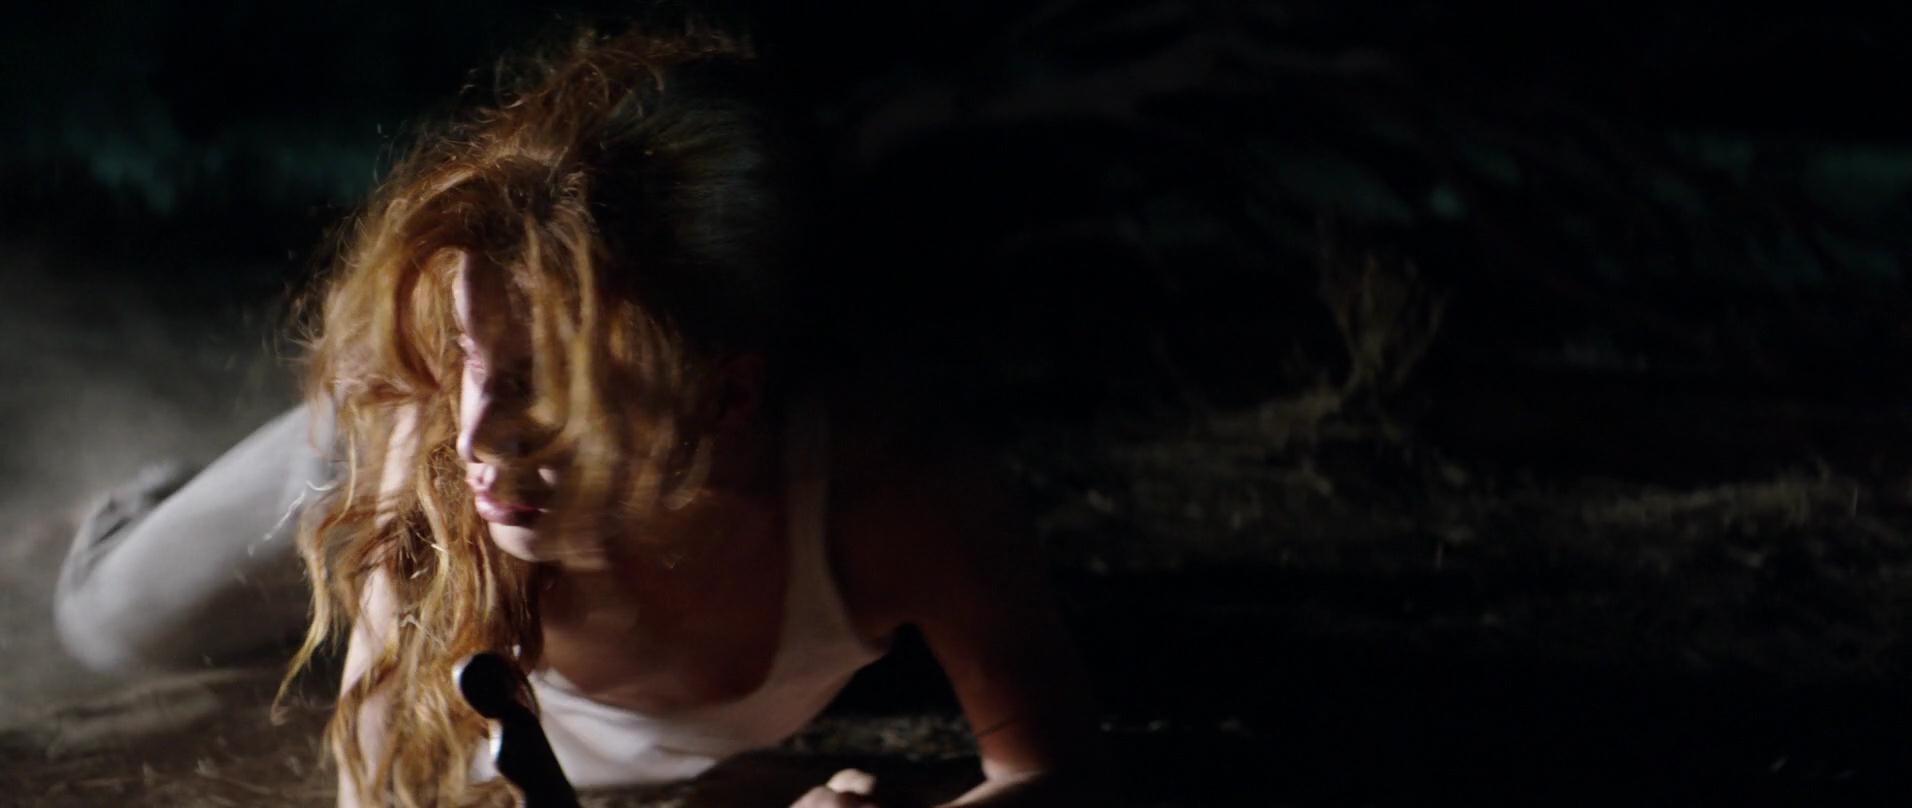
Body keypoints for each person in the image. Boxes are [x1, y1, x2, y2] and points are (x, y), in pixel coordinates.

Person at [54, 23, 1104, 808]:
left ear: (725, 395)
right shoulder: (438, 449)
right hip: (363, 450)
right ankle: (155, 497)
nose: (483, 428)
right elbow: (376, 789)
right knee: (108, 623)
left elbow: (1052, 771)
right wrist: (442, 408)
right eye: (468, 355)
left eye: (549, 381)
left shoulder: (896, 496)